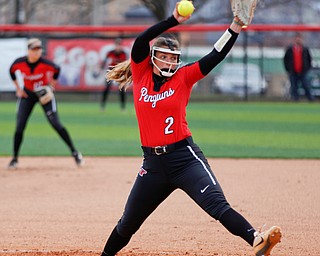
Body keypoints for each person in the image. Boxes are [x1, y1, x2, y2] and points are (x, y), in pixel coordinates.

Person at [100, 3, 281, 256]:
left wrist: (235, 27)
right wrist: (172, 20)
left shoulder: (183, 77)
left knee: (217, 206)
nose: (170, 61)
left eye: (174, 57)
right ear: (152, 57)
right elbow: (142, 40)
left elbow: (215, 55)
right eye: (164, 56)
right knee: (127, 223)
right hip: (152, 165)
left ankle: (257, 240)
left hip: (185, 159)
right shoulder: (141, 74)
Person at [8, 38, 84, 169]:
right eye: (34, 49)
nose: (37, 52)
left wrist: (51, 86)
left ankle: (75, 153)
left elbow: (57, 69)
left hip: (43, 94)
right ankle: (14, 159)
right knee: (20, 126)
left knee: (56, 124)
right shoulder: (19, 63)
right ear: (28, 50)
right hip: (27, 95)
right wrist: (18, 89)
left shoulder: (45, 62)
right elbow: (12, 71)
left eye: (39, 49)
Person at [284, 33, 314, 101]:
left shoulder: (305, 49)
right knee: (294, 87)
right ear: (295, 40)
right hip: (293, 71)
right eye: (297, 39)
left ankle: (311, 99)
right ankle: (295, 99)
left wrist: (307, 68)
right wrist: (288, 69)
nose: (298, 40)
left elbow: (309, 59)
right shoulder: (290, 49)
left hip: (303, 71)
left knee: (306, 86)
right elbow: (285, 60)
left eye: (299, 39)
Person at [100, 38, 128, 111]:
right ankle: (102, 106)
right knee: (107, 88)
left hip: (120, 71)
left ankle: (123, 107)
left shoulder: (123, 53)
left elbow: (126, 64)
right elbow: (105, 61)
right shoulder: (110, 52)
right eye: (117, 45)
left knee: (121, 89)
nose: (118, 47)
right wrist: (101, 68)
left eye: (119, 45)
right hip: (111, 70)